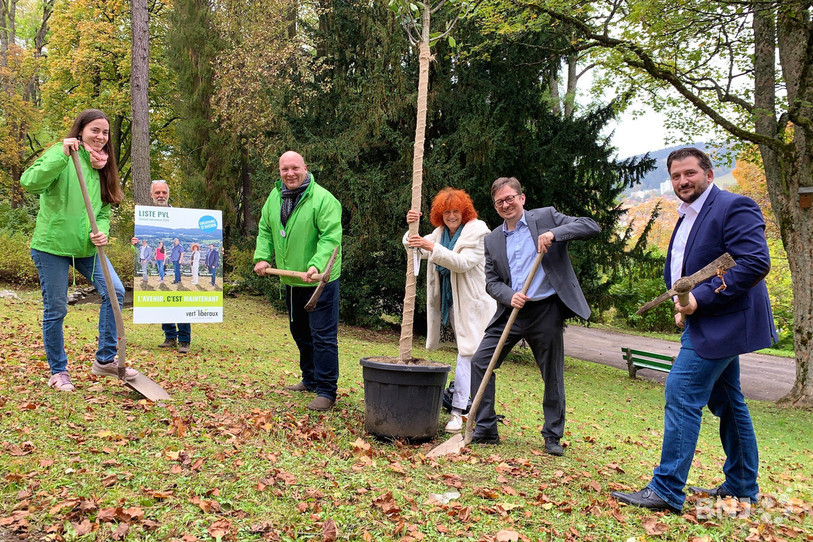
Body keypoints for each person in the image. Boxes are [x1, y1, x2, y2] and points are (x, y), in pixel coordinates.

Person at [611, 148, 778, 513]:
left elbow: (754, 262)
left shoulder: (734, 206)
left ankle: (667, 489)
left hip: (726, 321)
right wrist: (684, 306)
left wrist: (699, 301)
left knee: (682, 390)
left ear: (708, 173)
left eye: (689, 173)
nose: (682, 181)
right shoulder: (688, 214)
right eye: (675, 176)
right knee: (728, 402)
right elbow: (690, 269)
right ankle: (741, 487)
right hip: (704, 320)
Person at [469, 177, 599, 455]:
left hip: (546, 310)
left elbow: (590, 225)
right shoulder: (492, 239)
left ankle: (552, 436)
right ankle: (486, 428)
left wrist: (555, 234)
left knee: (552, 374)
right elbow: (491, 281)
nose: (506, 205)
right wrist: (508, 295)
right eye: (499, 202)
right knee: (481, 362)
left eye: (510, 198)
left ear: (522, 198)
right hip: (511, 312)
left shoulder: (546, 217)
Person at [21, 108, 139, 392]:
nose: (100, 136)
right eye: (94, 130)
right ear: (81, 131)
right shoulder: (62, 154)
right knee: (57, 308)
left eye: (105, 132)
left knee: (116, 292)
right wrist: (62, 154)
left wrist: (102, 231)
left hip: (87, 248)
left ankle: (106, 359)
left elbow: (104, 209)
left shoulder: (104, 166)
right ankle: (58, 371)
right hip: (51, 246)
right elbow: (29, 182)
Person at [254, 151, 342, 411]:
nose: (290, 174)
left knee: (323, 336)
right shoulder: (274, 197)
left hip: (320, 281)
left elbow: (330, 237)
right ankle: (310, 378)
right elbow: (265, 228)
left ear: (305, 167)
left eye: (295, 168)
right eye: (284, 169)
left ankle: (327, 391)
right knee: (300, 332)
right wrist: (261, 257)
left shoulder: (324, 200)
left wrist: (316, 264)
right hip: (292, 280)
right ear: (279, 171)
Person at [403, 188, 495, 432]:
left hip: (474, 305)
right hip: (452, 303)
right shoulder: (440, 233)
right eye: (446, 212)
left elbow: (462, 263)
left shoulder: (478, 232)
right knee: (469, 356)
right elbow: (415, 247)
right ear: (439, 215)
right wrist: (411, 227)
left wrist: (430, 247)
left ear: (464, 212)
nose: (451, 216)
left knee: (467, 354)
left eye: (456, 211)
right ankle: (473, 409)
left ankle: (459, 412)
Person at [131, 181, 191, 353]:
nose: (161, 196)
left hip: (171, 260)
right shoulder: (145, 219)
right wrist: (134, 244)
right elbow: (142, 246)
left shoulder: (179, 216)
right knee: (163, 300)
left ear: (168, 194)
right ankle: (170, 336)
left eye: (164, 192)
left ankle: (184, 340)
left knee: (180, 302)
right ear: (151, 195)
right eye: (157, 192)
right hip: (159, 261)